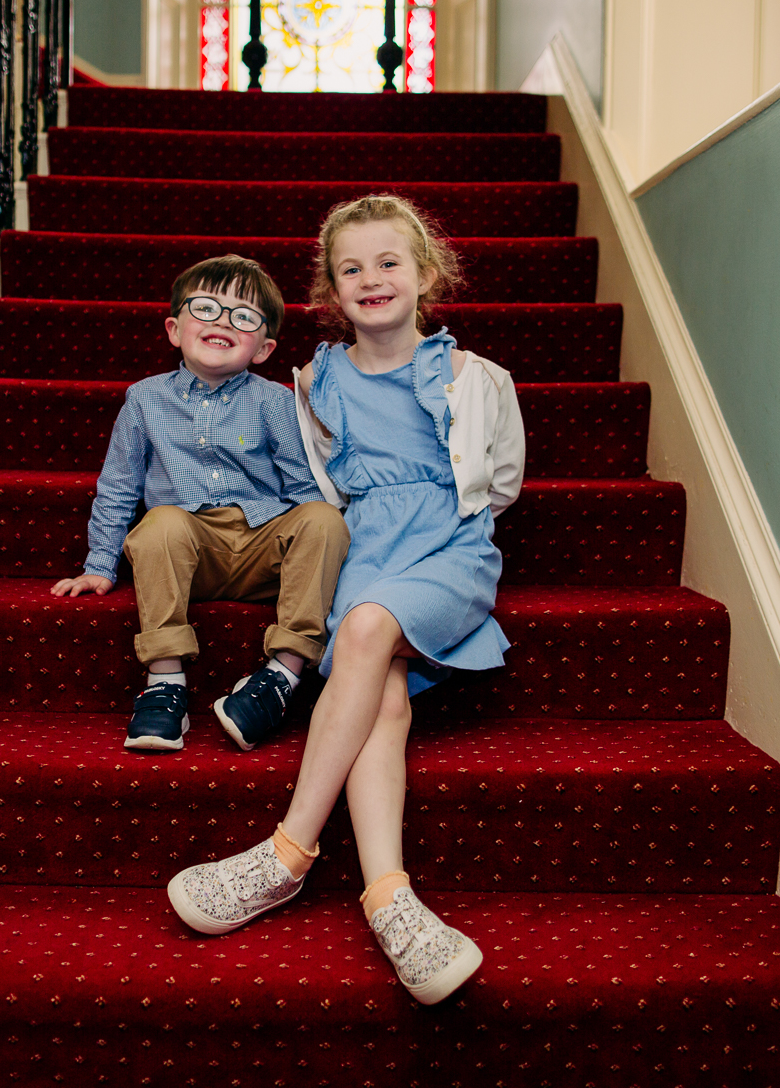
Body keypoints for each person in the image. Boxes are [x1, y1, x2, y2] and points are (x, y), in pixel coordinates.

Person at [165, 196, 525, 1005]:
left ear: (426, 274)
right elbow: (310, 473)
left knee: (365, 628)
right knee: (383, 692)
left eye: (389, 262)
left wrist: (435, 525)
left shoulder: (476, 378)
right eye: (351, 267)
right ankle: (392, 900)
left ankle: (287, 853)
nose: (372, 279)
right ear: (330, 289)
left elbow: (500, 484)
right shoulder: (312, 380)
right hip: (365, 550)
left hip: (448, 550)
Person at [51, 255, 349, 754]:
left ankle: (281, 676)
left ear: (263, 348)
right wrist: (99, 564)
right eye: (206, 309)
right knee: (159, 523)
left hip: (262, 546)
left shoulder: (274, 400)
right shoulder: (145, 399)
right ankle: (165, 684)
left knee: (324, 519)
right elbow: (119, 484)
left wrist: (326, 552)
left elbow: (302, 484)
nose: (222, 322)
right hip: (188, 548)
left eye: (243, 316)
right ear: (174, 329)